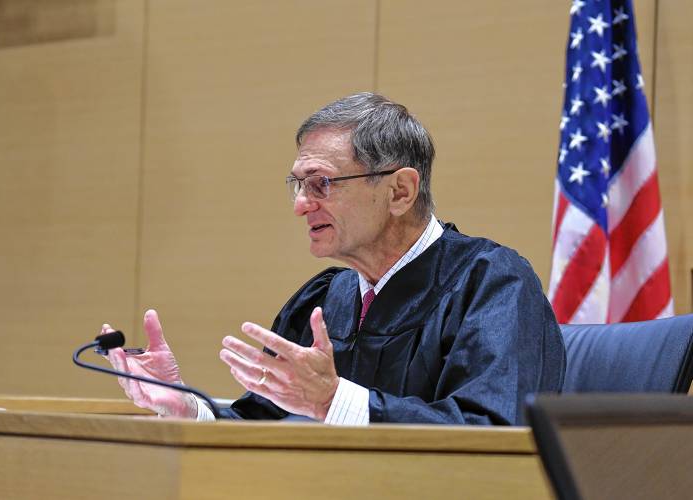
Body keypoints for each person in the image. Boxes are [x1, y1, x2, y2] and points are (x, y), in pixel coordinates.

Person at [102, 92, 565, 425]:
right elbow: (261, 418)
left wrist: (335, 403)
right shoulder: (328, 296)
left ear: (399, 191)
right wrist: (187, 407)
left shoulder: (491, 283)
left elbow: (495, 436)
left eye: (321, 183)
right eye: (298, 185)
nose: (301, 204)